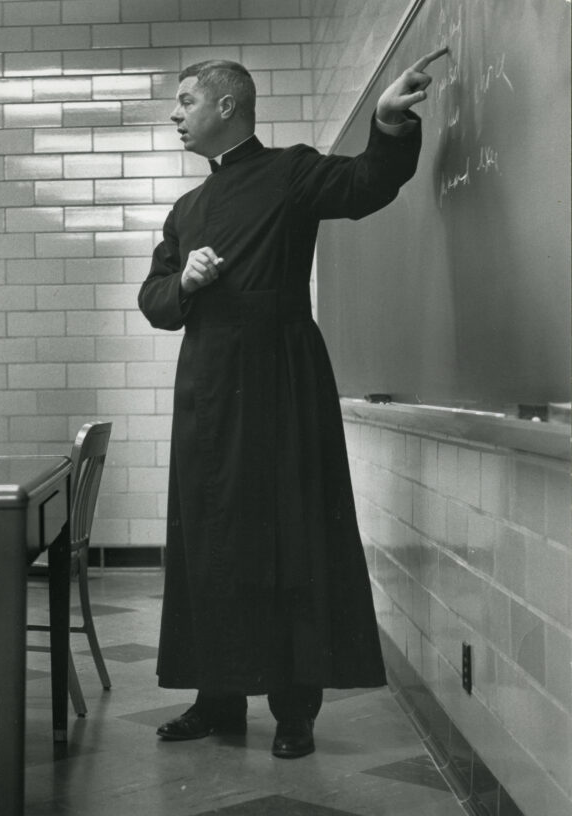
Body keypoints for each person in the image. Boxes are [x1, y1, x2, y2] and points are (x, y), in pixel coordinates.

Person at [138, 48, 448, 759]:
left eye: (186, 100)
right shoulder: (185, 209)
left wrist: (387, 123)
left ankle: (293, 709)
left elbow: (369, 183)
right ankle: (215, 697)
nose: (174, 114)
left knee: (286, 536)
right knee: (210, 540)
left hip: (281, 376)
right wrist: (183, 279)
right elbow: (155, 303)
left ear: (226, 105)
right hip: (208, 387)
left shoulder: (292, 170)